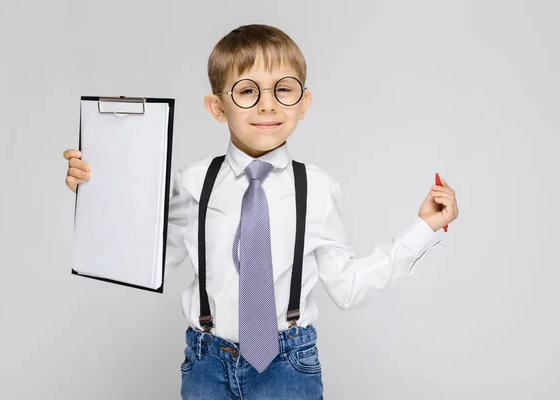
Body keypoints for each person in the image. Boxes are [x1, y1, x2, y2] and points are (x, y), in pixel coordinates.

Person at [62, 23, 459, 400]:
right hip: (206, 365)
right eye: (247, 91)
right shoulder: (192, 182)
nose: (267, 104)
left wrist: (423, 229)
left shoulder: (317, 188)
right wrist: (99, 190)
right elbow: (148, 261)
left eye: (283, 89)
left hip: (288, 367)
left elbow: (348, 287)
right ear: (217, 107)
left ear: (303, 104)